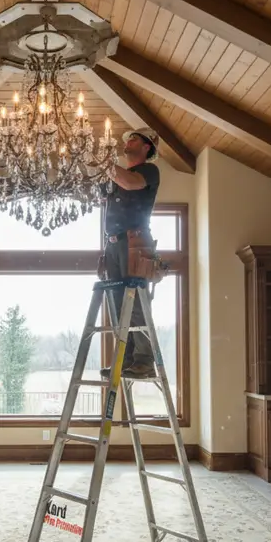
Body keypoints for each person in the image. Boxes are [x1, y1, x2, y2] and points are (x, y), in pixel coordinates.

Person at [99, 127, 160, 380]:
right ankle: (126, 360)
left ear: (147, 147)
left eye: (134, 138)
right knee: (117, 304)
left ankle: (144, 361)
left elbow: (128, 182)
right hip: (114, 243)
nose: (128, 141)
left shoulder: (148, 171)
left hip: (134, 242)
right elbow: (102, 192)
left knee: (134, 302)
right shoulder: (119, 175)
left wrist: (104, 163)